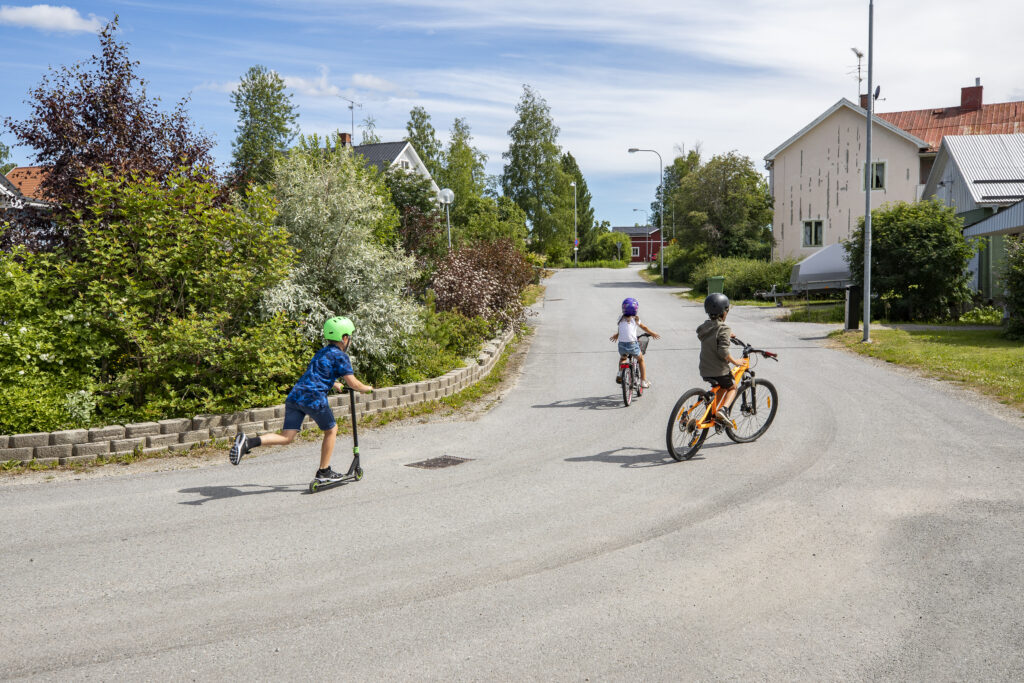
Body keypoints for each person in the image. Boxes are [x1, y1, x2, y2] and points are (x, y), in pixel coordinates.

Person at [229, 316, 374, 482]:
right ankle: (324, 471)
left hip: (296, 396)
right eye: (349, 337)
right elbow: (354, 383)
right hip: (313, 398)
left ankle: (248, 442)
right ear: (345, 338)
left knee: (286, 437)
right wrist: (367, 389)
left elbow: (316, 374)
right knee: (331, 430)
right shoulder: (341, 356)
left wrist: (334, 383)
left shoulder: (322, 352)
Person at [697, 292, 741, 426]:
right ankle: (723, 410)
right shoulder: (724, 328)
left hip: (705, 369)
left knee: (721, 387)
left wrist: (726, 336)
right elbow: (723, 351)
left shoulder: (704, 327)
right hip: (719, 370)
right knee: (733, 387)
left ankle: (714, 412)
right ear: (724, 312)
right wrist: (735, 361)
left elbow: (712, 333)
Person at [610, 297, 660, 388]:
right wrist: (652, 333)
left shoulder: (620, 318)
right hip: (632, 344)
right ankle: (643, 381)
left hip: (622, 344)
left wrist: (616, 336)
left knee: (623, 358)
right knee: (640, 359)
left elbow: (621, 330)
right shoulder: (635, 319)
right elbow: (644, 328)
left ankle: (620, 373)